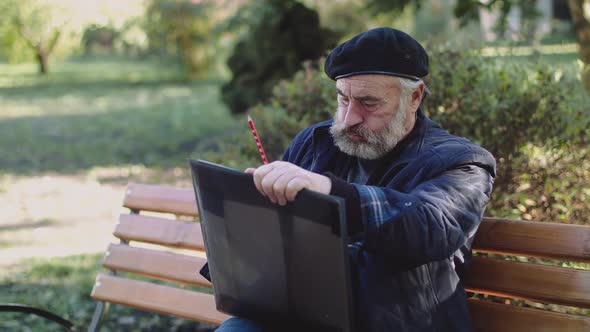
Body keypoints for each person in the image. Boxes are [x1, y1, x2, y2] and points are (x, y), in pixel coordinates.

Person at [215, 27, 496, 332]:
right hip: (300, 316)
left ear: (414, 97)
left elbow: (429, 225)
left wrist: (329, 191)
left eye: (369, 102)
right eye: (343, 99)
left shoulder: (463, 161)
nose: (349, 118)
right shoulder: (315, 141)